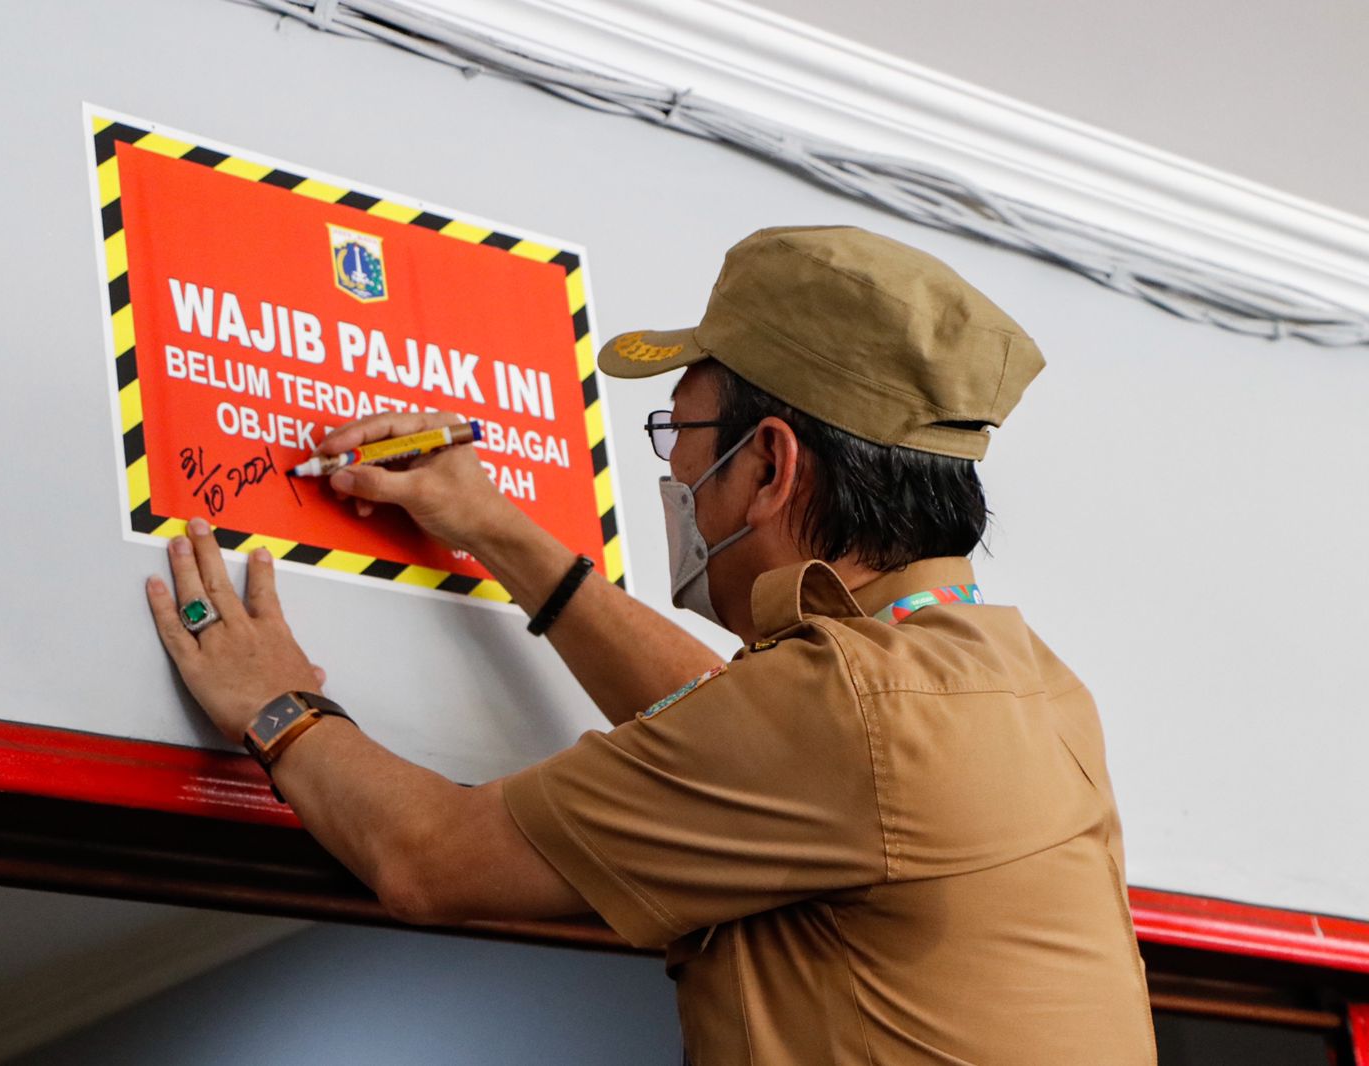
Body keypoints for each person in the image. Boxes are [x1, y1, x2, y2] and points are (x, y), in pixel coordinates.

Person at [144, 226, 1157, 1064]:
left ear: (770, 465)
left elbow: (428, 858)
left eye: (681, 433)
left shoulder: (849, 712)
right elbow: (732, 725)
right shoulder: (1016, 685)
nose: (675, 475)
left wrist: (278, 702)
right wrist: (492, 524)